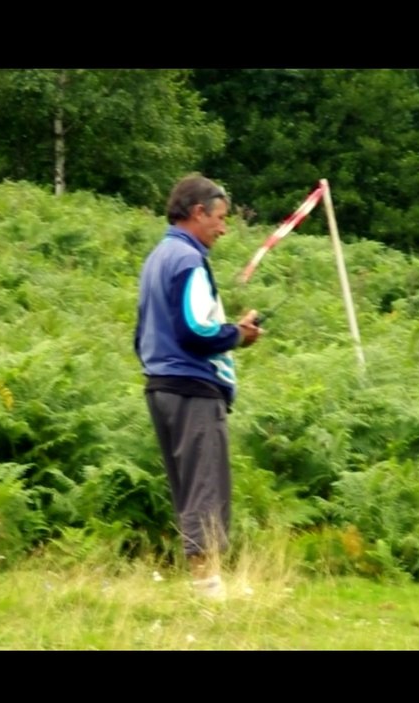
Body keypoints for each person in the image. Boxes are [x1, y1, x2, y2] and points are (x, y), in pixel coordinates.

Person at [134, 173, 262, 601]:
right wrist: (236, 335)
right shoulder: (188, 260)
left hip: (160, 386)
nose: (224, 228)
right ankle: (208, 591)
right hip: (192, 388)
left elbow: (143, 333)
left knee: (188, 489)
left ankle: (202, 584)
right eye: (221, 218)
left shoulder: (157, 257)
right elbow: (194, 331)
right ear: (197, 213)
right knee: (206, 488)